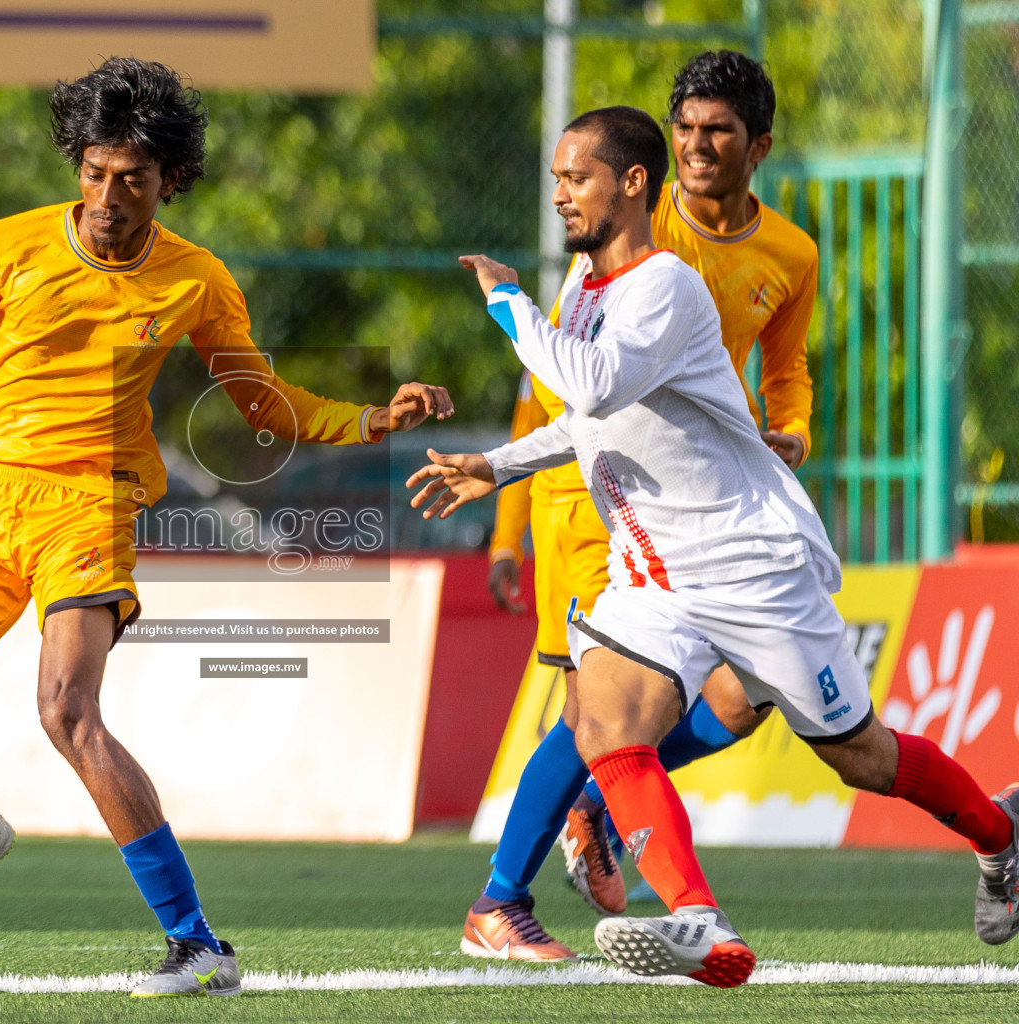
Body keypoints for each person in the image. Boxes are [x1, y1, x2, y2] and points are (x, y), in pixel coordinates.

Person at [0, 56, 452, 998]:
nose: (106, 196)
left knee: (68, 712)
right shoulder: (3, 248)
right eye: (93, 173)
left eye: (130, 179)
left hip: (88, 506)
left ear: (167, 182)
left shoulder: (197, 280)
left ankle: (198, 945)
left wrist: (370, 418)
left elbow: (258, 405)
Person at [408, 104, 1018, 988]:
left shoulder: (664, 286)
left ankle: (1000, 836)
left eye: (575, 178)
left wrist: (508, 300)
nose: (561, 197)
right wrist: (497, 466)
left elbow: (591, 381)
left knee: (861, 755)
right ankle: (697, 917)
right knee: (608, 722)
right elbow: (587, 416)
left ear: (631, 184)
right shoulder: (584, 292)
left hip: (752, 563)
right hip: (653, 572)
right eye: (555, 181)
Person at [473, 52, 819, 960]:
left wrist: (790, 430)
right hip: (597, 499)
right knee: (593, 713)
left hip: (705, 505)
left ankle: (595, 803)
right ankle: (503, 898)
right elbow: (558, 376)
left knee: (748, 699)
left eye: (718, 132)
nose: (698, 147)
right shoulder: (624, 223)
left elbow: (785, 370)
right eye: (686, 130)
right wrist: (506, 507)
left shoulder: (789, 253)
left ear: (759, 147)